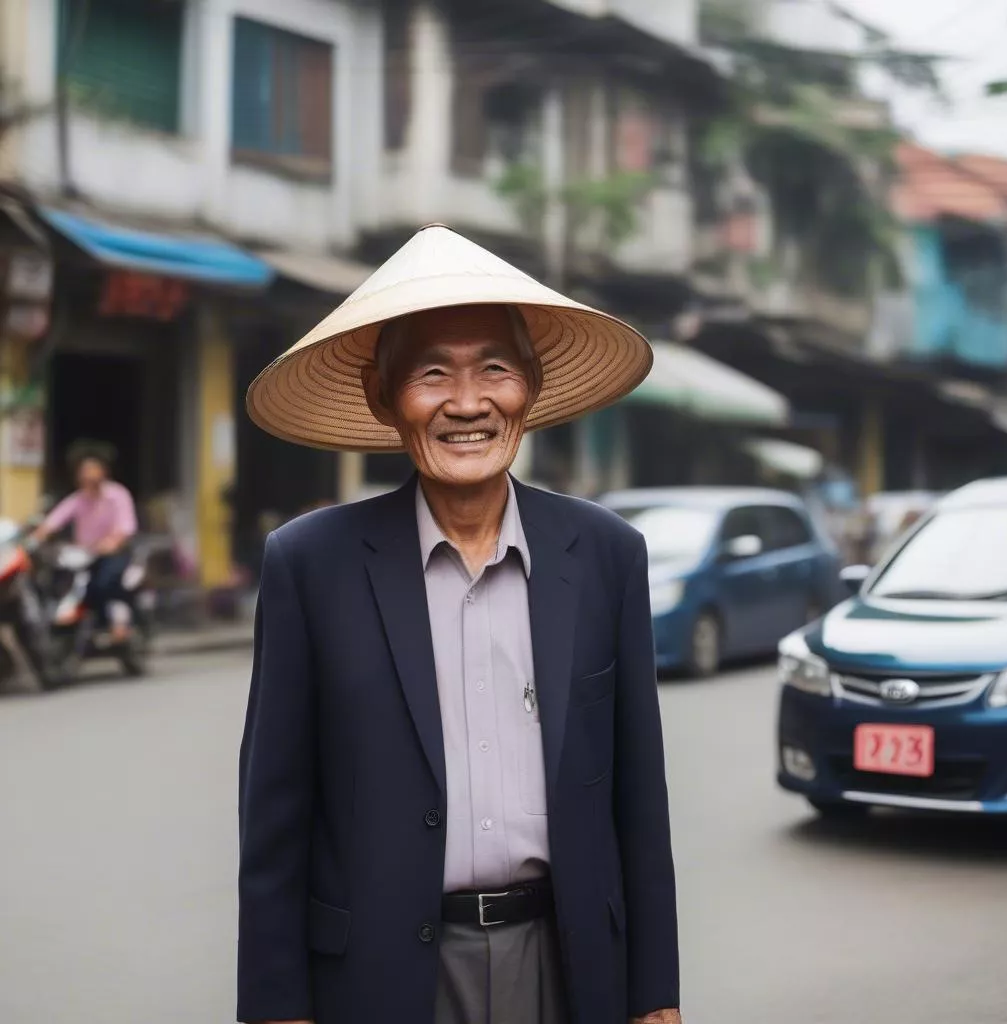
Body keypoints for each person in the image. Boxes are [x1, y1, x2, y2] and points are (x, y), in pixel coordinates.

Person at [238, 225, 681, 1024]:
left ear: (533, 387)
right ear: (383, 397)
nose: (468, 402)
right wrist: (276, 1006)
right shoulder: (310, 564)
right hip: (379, 975)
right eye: (432, 374)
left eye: (496, 370)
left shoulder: (608, 554)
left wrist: (655, 995)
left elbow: (639, 803)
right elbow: (275, 818)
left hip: (565, 961)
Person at [32, 443, 138, 641]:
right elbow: (54, 520)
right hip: (85, 555)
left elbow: (126, 527)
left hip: (114, 554)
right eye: (83, 471)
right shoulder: (78, 499)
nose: (87, 475)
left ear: (103, 472)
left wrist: (112, 542)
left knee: (105, 583)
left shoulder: (117, 495)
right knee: (60, 582)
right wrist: (37, 537)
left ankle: (120, 623)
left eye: (92, 469)